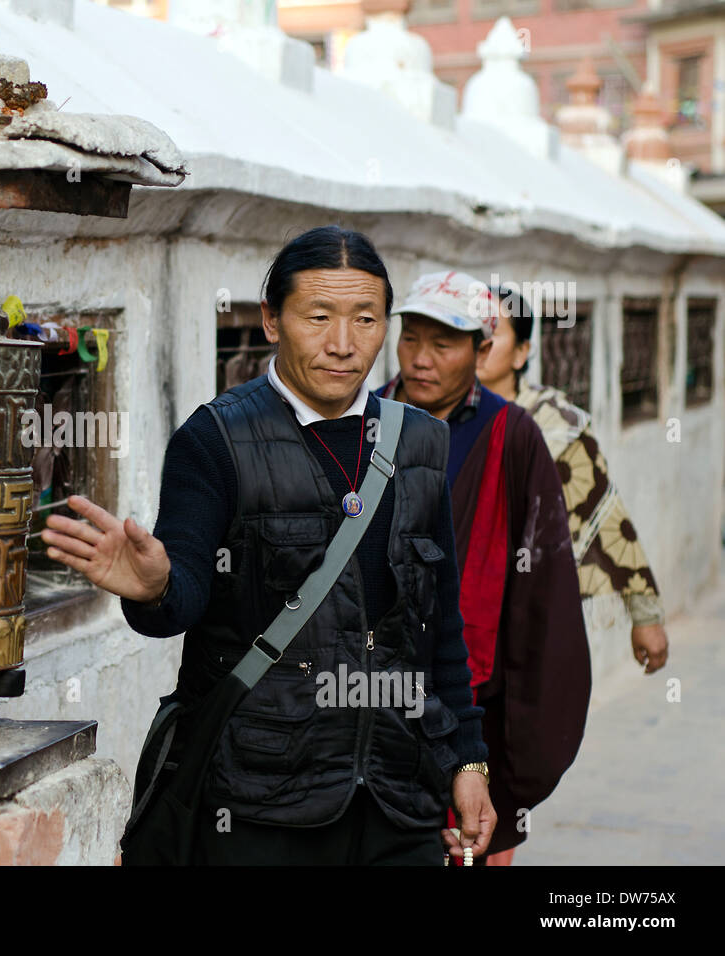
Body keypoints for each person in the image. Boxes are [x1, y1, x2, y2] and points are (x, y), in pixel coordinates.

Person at [41, 226, 495, 865]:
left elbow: (440, 624)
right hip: (258, 798)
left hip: (398, 795)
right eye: (318, 317)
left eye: (365, 319)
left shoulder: (421, 442)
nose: (344, 344)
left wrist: (466, 759)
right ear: (272, 321)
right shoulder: (217, 439)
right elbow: (188, 586)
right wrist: (157, 587)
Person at [378, 270, 591, 865]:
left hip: (470, 698)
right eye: (410, 339)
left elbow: (541, 585)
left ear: (483, 347)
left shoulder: (511, 434)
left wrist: (523, 733)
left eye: (443, 344)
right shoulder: (363, 421)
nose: (421, 360)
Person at [477, 285, 670, 677]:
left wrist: (645, 615)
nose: (477, 343)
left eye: (491, 333)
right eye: (469, 330)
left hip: (532, 607)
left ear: (521, 353)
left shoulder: (556, 425)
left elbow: (605, 512)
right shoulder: (425, 416)